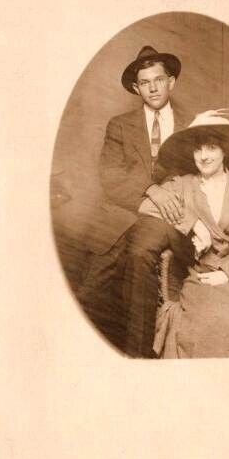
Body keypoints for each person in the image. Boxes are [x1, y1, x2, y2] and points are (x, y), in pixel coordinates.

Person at [78, 46, 193, 356]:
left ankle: (139, 355)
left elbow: (198, 178)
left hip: (165, 218)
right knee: (87, 294)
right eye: (145, 82)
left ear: (172, 82)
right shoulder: (120, 125)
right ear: (135, 87)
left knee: (140, 263)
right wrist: (150, 191)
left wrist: (164, 200)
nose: (153, 88)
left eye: (159, 80)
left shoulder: (192, 125)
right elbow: (111, 177)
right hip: (121, 214)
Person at [138, 110, 229, 358]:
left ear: (224, 151)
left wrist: (228, 273)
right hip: (202, 275)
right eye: (198, 149)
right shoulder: (183, 184)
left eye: (211, 148)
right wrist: (192, 223)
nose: (203, 156)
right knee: (206, 321)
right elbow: (147, 206)